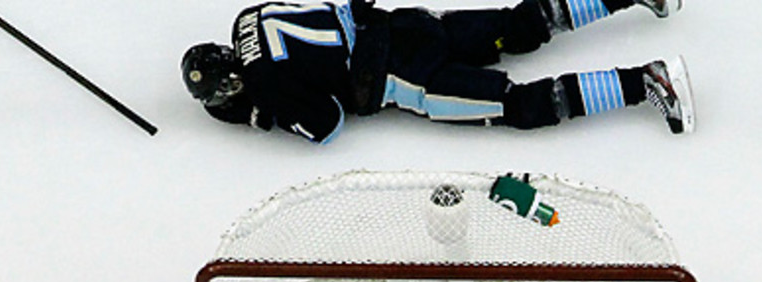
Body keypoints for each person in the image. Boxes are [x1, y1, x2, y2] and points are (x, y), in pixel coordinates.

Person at [181, 0, 692, 144]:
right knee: (518, 26)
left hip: (406, 78)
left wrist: (261, 116)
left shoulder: (267, 88)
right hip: (407, 26)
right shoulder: (249, 17)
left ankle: (644, 81)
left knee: (519, 105)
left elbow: (326, 125)